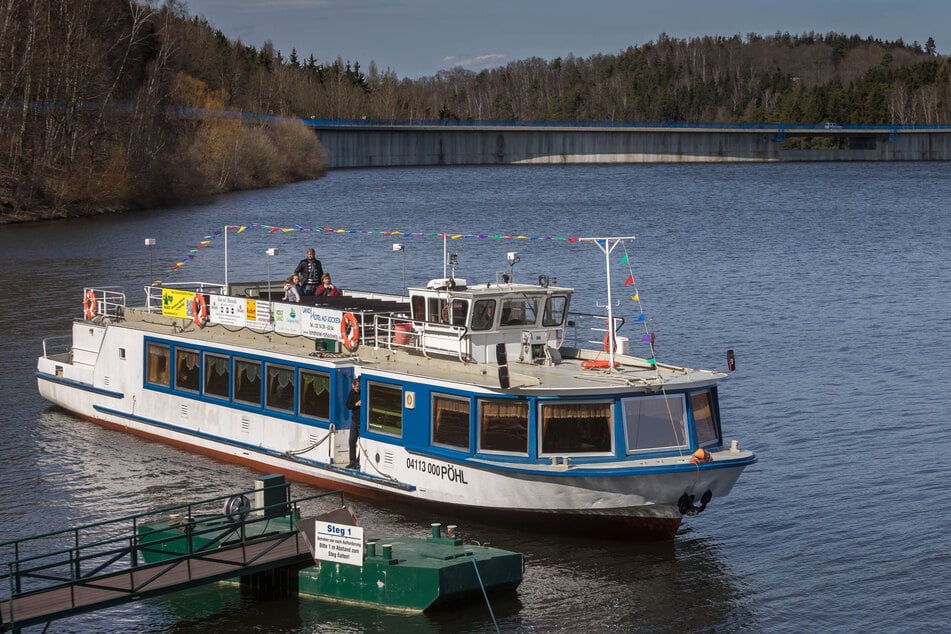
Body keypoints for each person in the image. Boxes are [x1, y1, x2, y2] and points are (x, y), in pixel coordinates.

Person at [345, 378, 361, 469]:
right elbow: (348, 405)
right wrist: (356, 404)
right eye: (355, 387)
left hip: (362, 422)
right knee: (351, 440)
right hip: (355, 421)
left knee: (362, 443)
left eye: (358, 387)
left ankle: (359, 461)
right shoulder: (351, 393)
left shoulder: (362, 392)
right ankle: (352, 461)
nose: (357, 388)